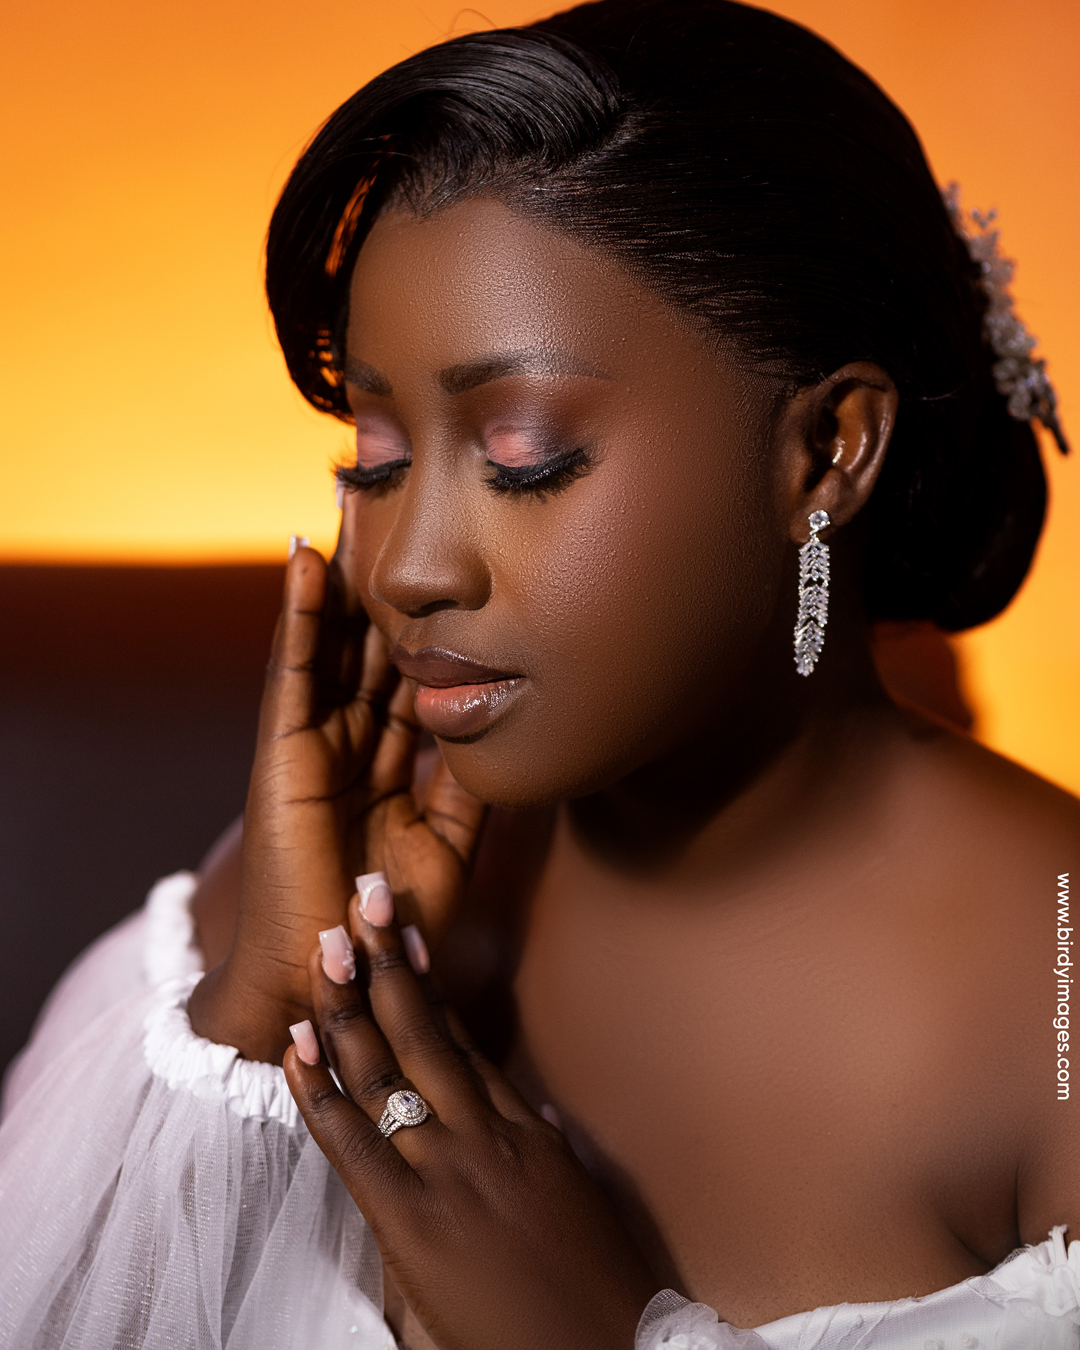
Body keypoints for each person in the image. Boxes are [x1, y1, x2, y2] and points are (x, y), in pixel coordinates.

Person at [1, 1, 1077, 1346]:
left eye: (522, 457)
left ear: (825, 454)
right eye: (375, 458)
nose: (403, 567)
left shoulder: (1055, 989)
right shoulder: (346, 892)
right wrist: (256, 1004)